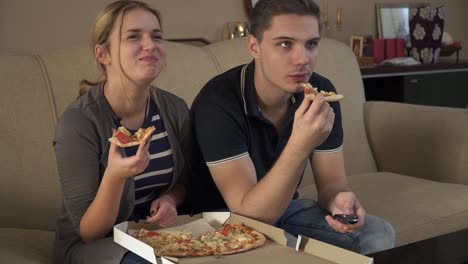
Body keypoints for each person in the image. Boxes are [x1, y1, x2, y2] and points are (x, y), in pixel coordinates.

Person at [191, 0, 395, 255]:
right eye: (285, 44)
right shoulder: (218, 102)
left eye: (311, 44)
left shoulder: (321, 93)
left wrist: (340, 200)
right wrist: (300, 143)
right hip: (221, 219)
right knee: (284, 250)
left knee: (378, 234)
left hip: (285, 207)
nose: (303, 59)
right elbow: (249, 214)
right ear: (254, 46)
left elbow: (332, 183)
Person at [53, 1, 191, 263]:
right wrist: (115, 176)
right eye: (133, 37)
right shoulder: (78, 123)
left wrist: (171, 199)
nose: (150, 45)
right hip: (97, 246)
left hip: (153, 235)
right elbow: (89, 232)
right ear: (104, 54)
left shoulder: (174, 109)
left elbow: (186, 181)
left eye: (157, 36)